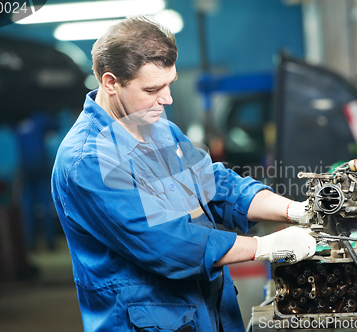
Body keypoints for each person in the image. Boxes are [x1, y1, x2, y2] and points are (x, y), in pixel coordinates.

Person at [51, 16, 315, 332]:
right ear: (110, 83)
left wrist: (296, 211)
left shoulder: (161, 130)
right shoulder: (86, 161)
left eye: (170, 84)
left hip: (212, 313)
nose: (167, 99)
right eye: (152, 88)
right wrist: (265, 247)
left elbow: (216, 186)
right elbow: (166, 243)